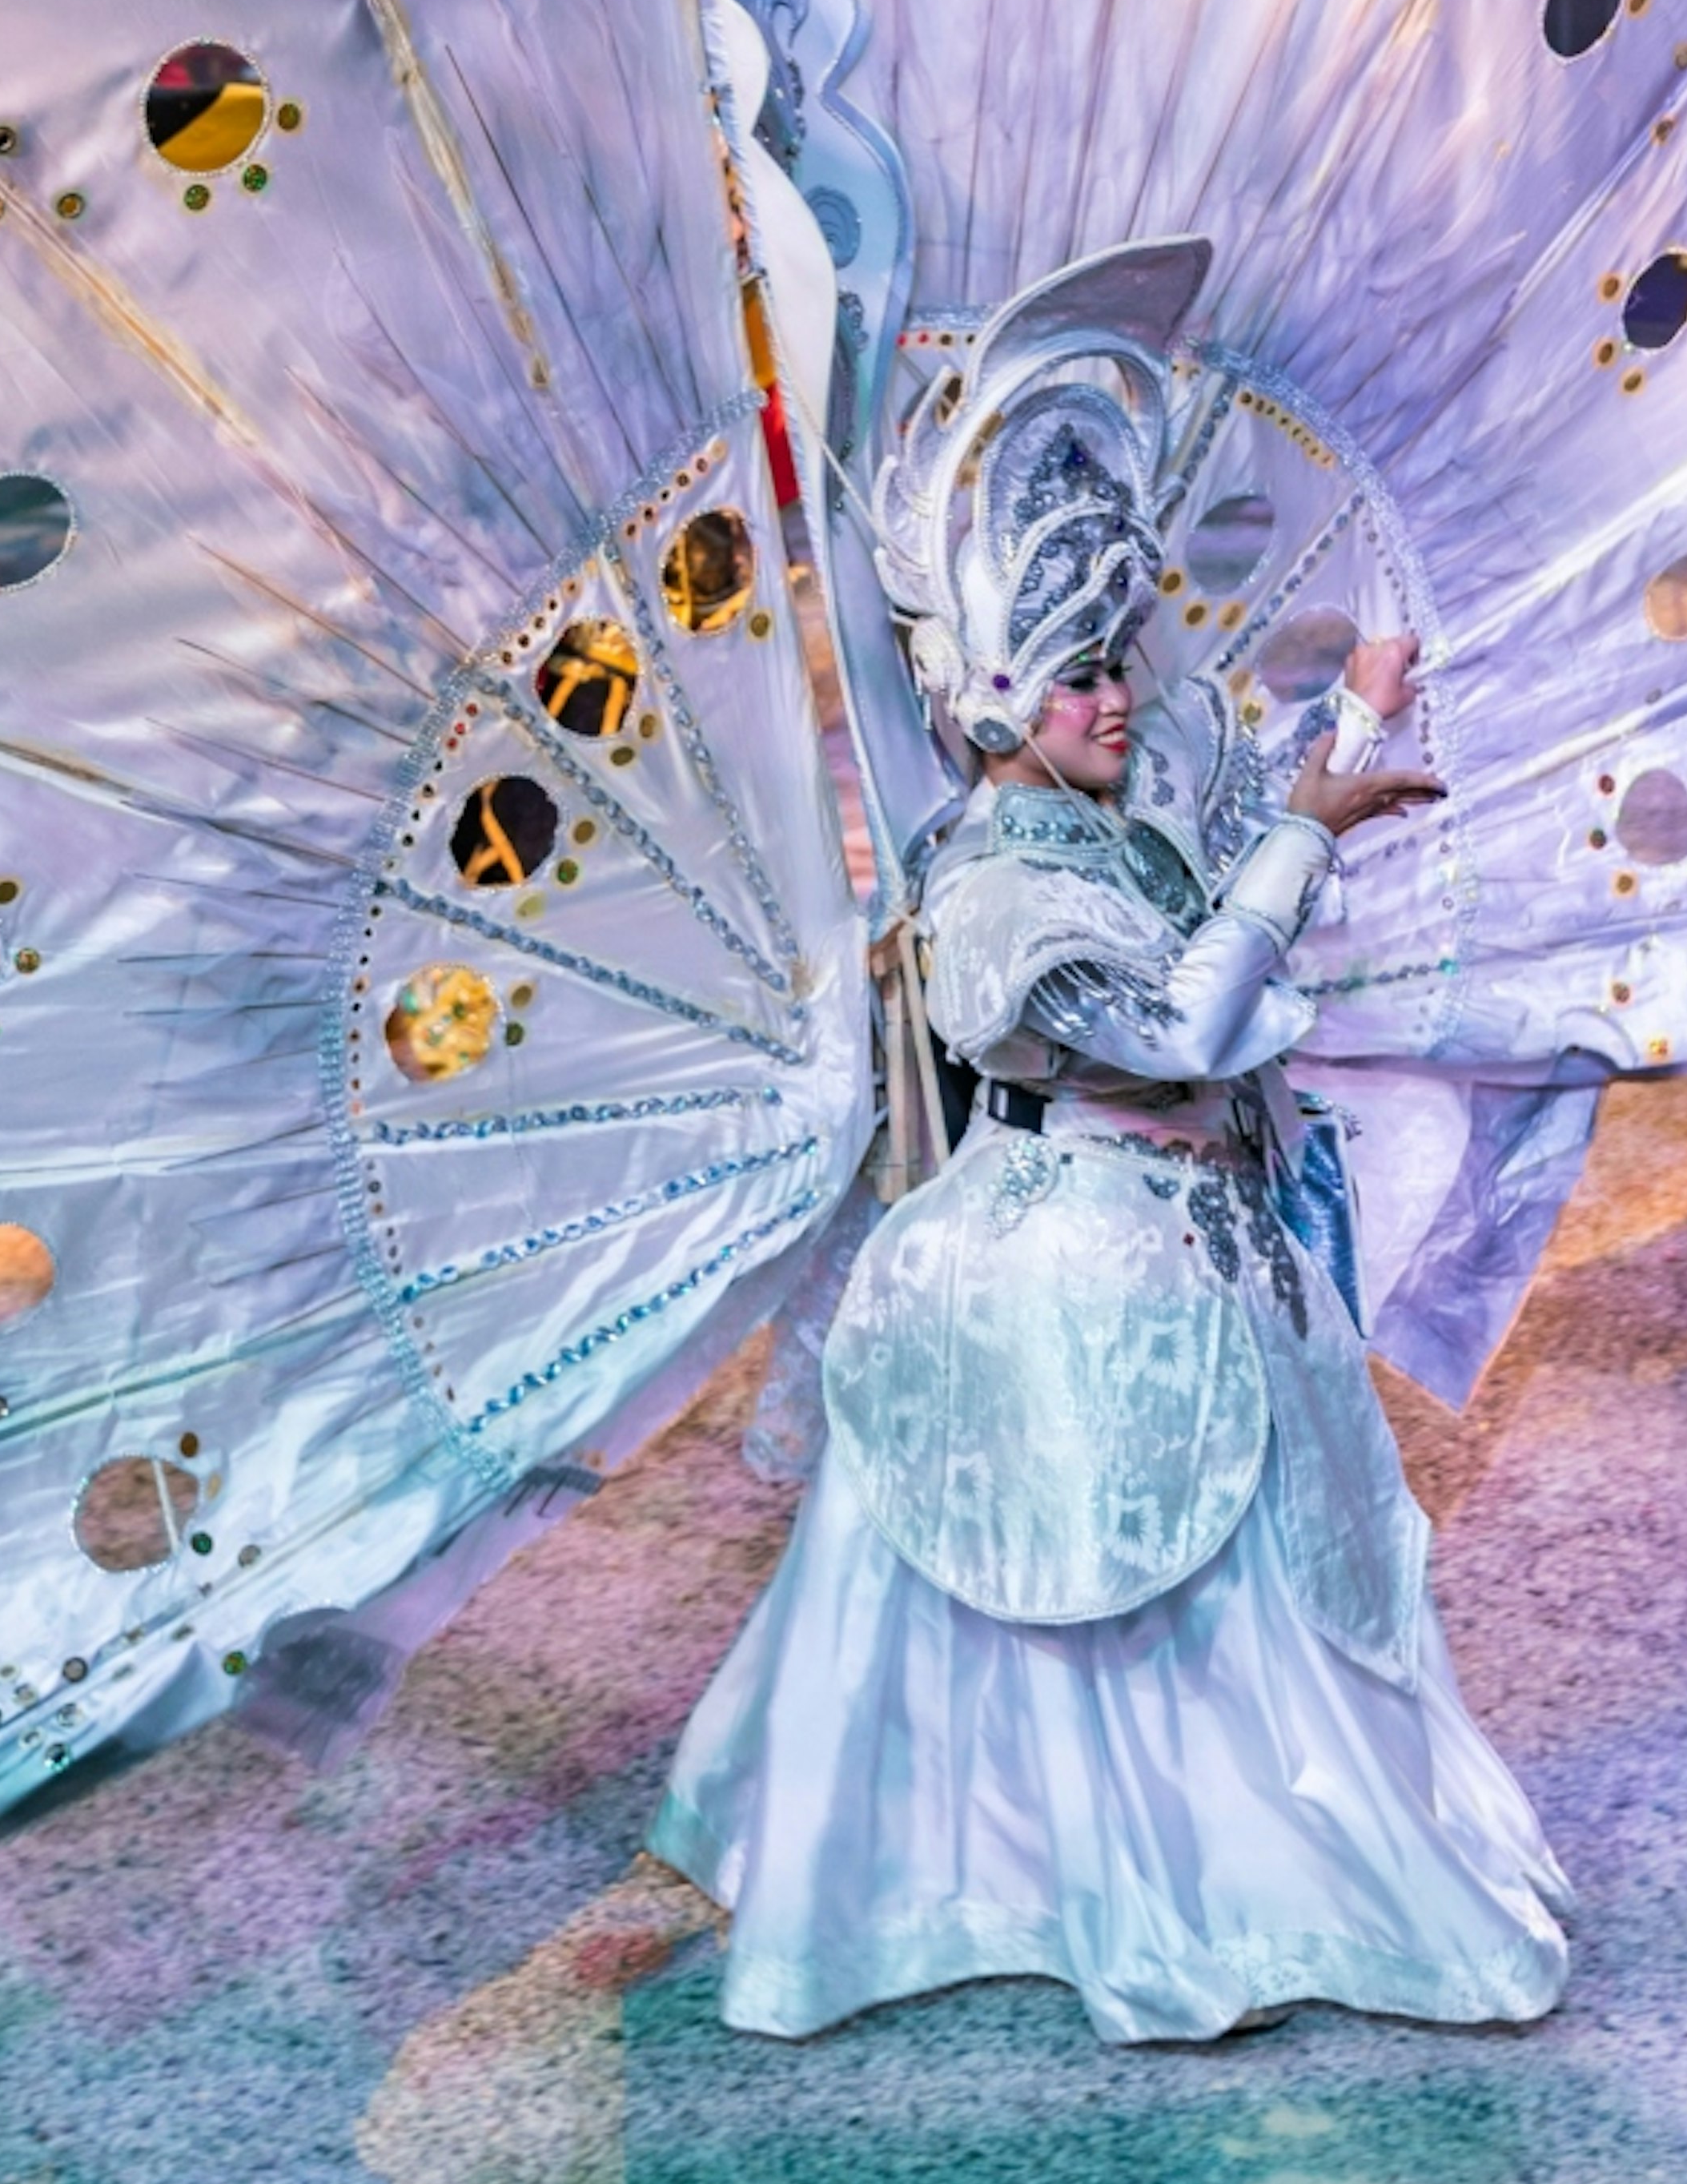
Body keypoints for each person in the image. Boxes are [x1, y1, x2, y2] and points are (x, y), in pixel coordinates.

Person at [654, 255, 1573, 2045]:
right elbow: (1183, 1023)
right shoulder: (1001, 880)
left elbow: (1231, 889)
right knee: (1081, 1615)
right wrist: (1311, 820)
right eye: (1080, 675)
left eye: (1117, 658)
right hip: (1065, 1279)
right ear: (994, 689)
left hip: (1180, 1261)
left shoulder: (1100, 834)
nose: (1117, 699)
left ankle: (1204, 1868)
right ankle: (1095, 1887)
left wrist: (1350, 737)